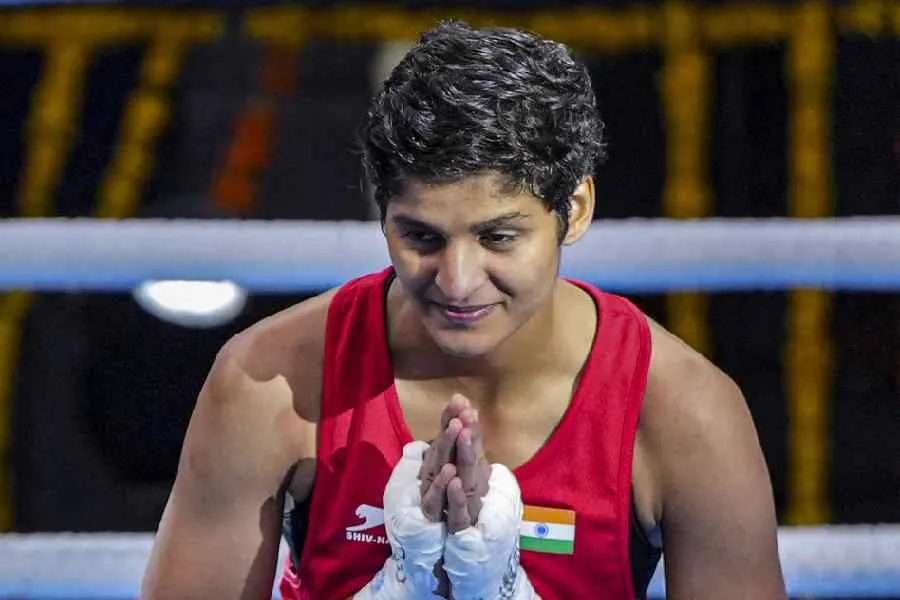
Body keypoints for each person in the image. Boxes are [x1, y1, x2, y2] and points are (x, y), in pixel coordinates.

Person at [141, 20, 786, 600]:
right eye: (421, 237)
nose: (456, 281)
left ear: (574, 210)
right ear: (382, 215)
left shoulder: (685, 412)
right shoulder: (271, 382)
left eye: (498, 237)